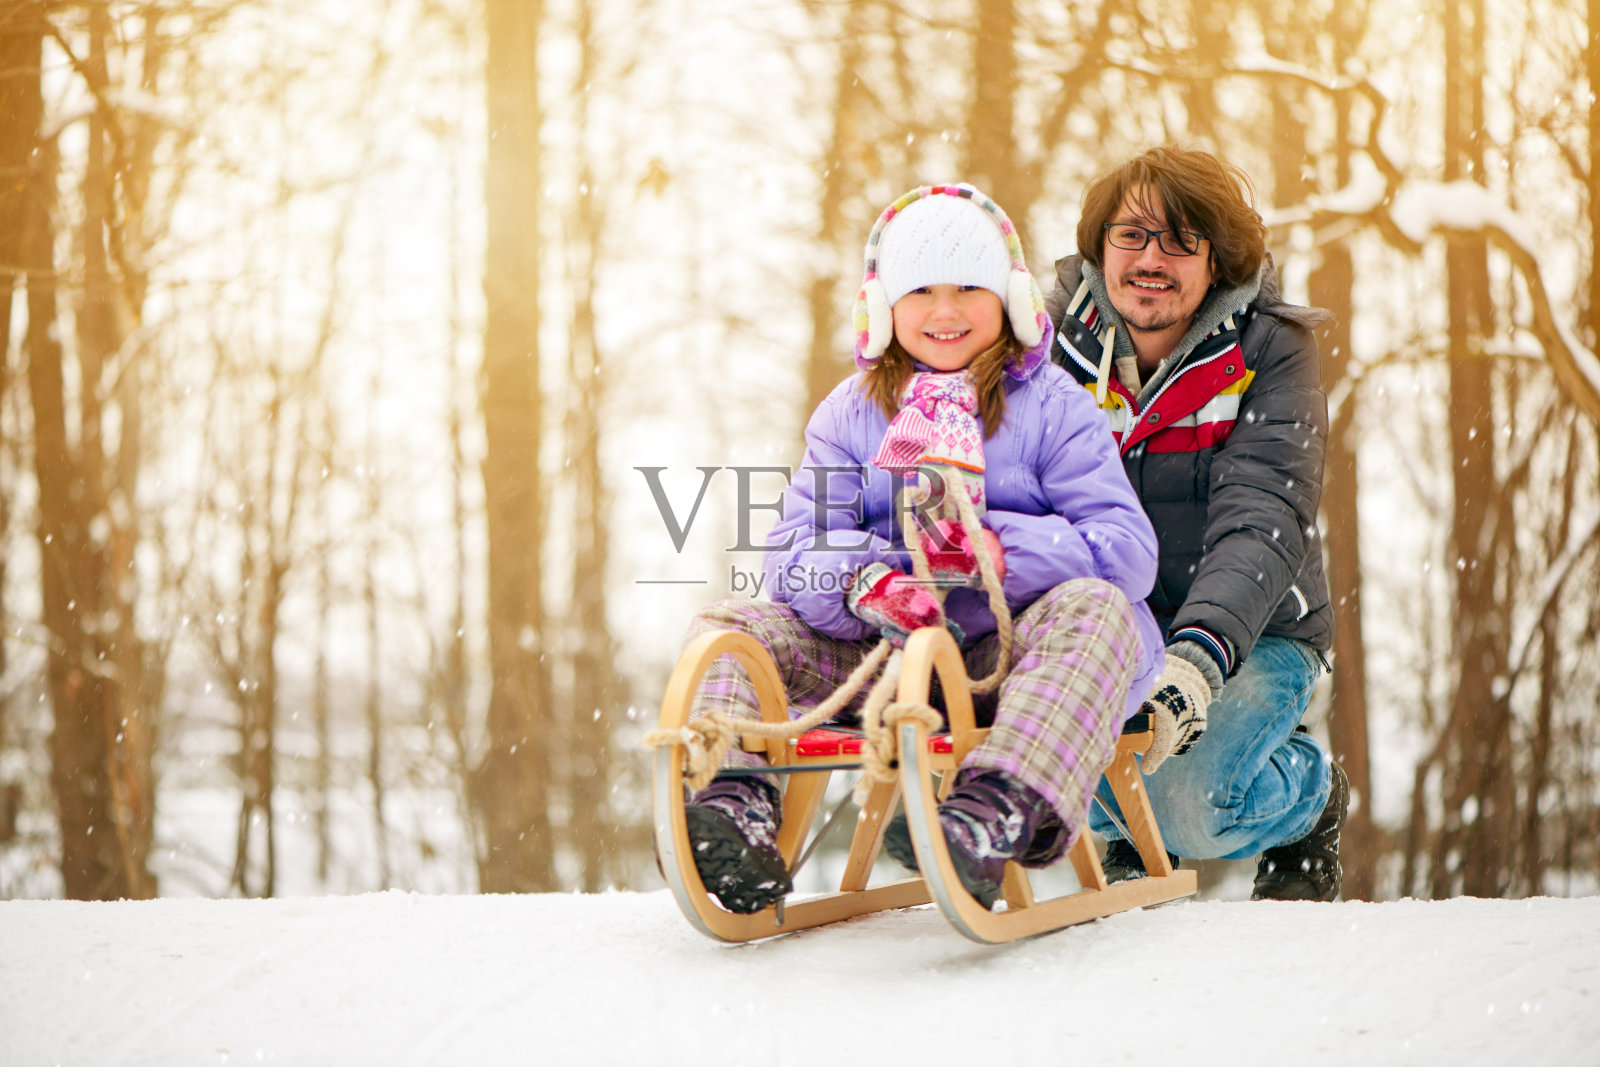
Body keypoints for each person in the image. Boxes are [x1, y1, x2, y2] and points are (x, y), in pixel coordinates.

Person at [676, 183, 1167, 914]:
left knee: (1101, 609)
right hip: (888, 656)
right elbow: (792, 551)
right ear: (884, 309)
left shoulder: (1054, 406)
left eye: (970, 287)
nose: (945, 311)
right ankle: (732, 802)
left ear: (1009, 298)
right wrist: (865, 583)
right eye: (922, 291)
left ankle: (996, 806)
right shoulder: (851, 414)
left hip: (1019, 663)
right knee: (733, 626)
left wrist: (1004, 552)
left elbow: (1127, 550)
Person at [1044, 145, 1347, 901]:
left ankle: (1311, 795)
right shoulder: (1049, 348)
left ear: (1218, 259)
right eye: (1132, 235)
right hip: (1114, 629)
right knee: (1050, 772)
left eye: (1180, 240)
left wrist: (1197, 656)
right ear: (1100, 245)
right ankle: (1128, 820)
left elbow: (1263, 513)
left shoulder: (1272, 348)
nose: (1153, 258)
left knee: (1195, 810)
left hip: (1255, 630)